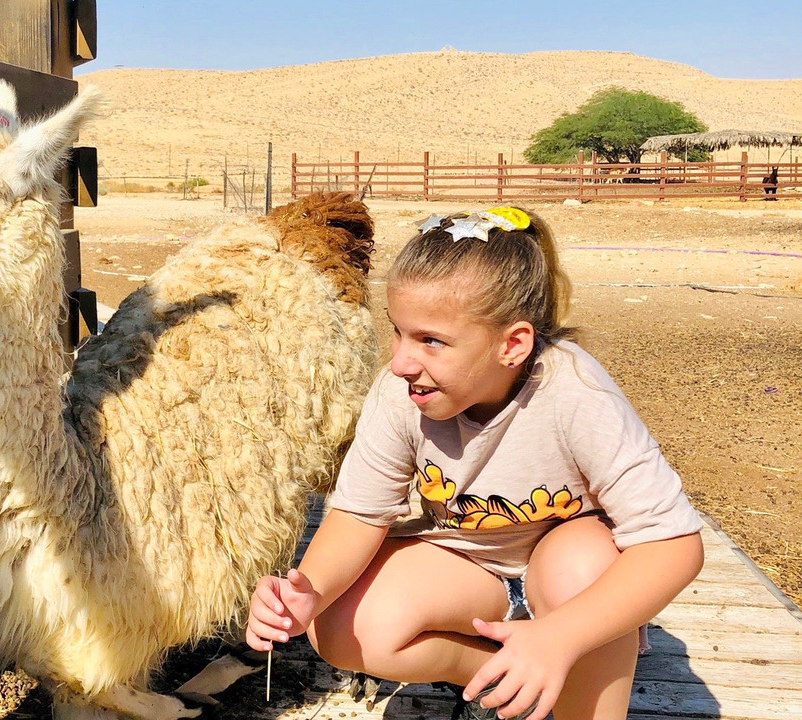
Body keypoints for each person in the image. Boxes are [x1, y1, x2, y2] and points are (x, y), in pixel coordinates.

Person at [246, 207, 704, 720]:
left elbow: (673, 545)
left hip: (565, 574)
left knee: (582, 570)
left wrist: (561, 635)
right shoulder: (400, 393)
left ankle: (575, 681)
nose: (400, 362)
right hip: (469, 570)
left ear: (512, 345)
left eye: (431, 341)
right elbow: (359, 514)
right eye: (398, 332)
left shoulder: (576, 394)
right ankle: (498, 679)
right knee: (341, 626)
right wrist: (309, 591)